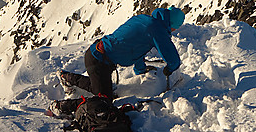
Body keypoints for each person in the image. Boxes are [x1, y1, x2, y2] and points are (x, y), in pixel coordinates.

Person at [49, 6, 184, 117]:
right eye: (174, 28)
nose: (173, 31)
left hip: (98, 56)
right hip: (98, 60)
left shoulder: (145, 21)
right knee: (104, 101)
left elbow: (136, 46)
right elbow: (173, 58)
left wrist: (140, 69)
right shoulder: (156, 29)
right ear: (171, 24)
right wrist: (170, 68)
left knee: (102, 89)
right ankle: (61, 106)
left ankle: (68, 78)